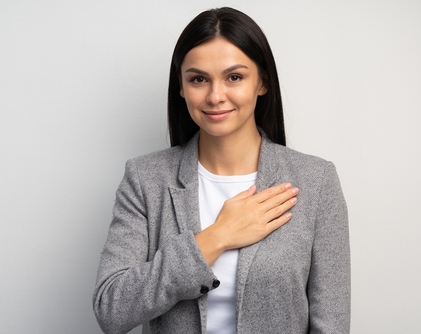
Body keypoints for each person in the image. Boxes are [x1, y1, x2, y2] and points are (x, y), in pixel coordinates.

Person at [93, 7, 350, 334]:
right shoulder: (145, 179)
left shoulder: (316, 182)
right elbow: (111, 309)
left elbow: (332, 325)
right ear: (182, 87)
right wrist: (216, 237)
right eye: (199, 79)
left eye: (234, 77)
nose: (215, 96)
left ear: (262, 83)